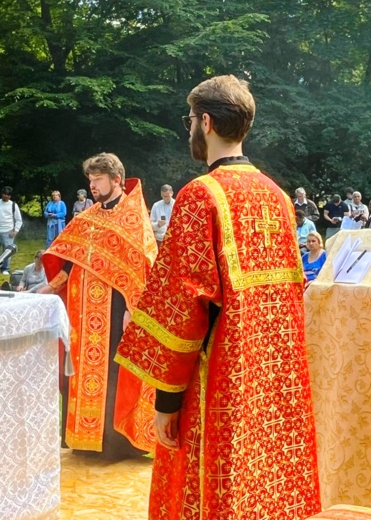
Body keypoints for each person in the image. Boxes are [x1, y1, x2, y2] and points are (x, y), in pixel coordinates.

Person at [116, 75, 321, 519]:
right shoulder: (279, 198)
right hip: (272, 380)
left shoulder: (200, 196)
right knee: (262, 481)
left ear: (205, 122)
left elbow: (182, 309)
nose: (190, 126)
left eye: (190, 118)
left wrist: (166, 402)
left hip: (218, 383)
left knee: (209, 489)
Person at [41, 153, 157, 459]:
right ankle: (83, 439)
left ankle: (114, 444)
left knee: (114, 372)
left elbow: (143, 269)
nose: (93, 185)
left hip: (116, 308)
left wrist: (133, 308)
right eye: (90, 180)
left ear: (116, 180)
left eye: (98, 179)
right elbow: (68, 259)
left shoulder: (133, 218)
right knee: (79, 369)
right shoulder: (88, 217)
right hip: (82, 309)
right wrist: (51, 286)